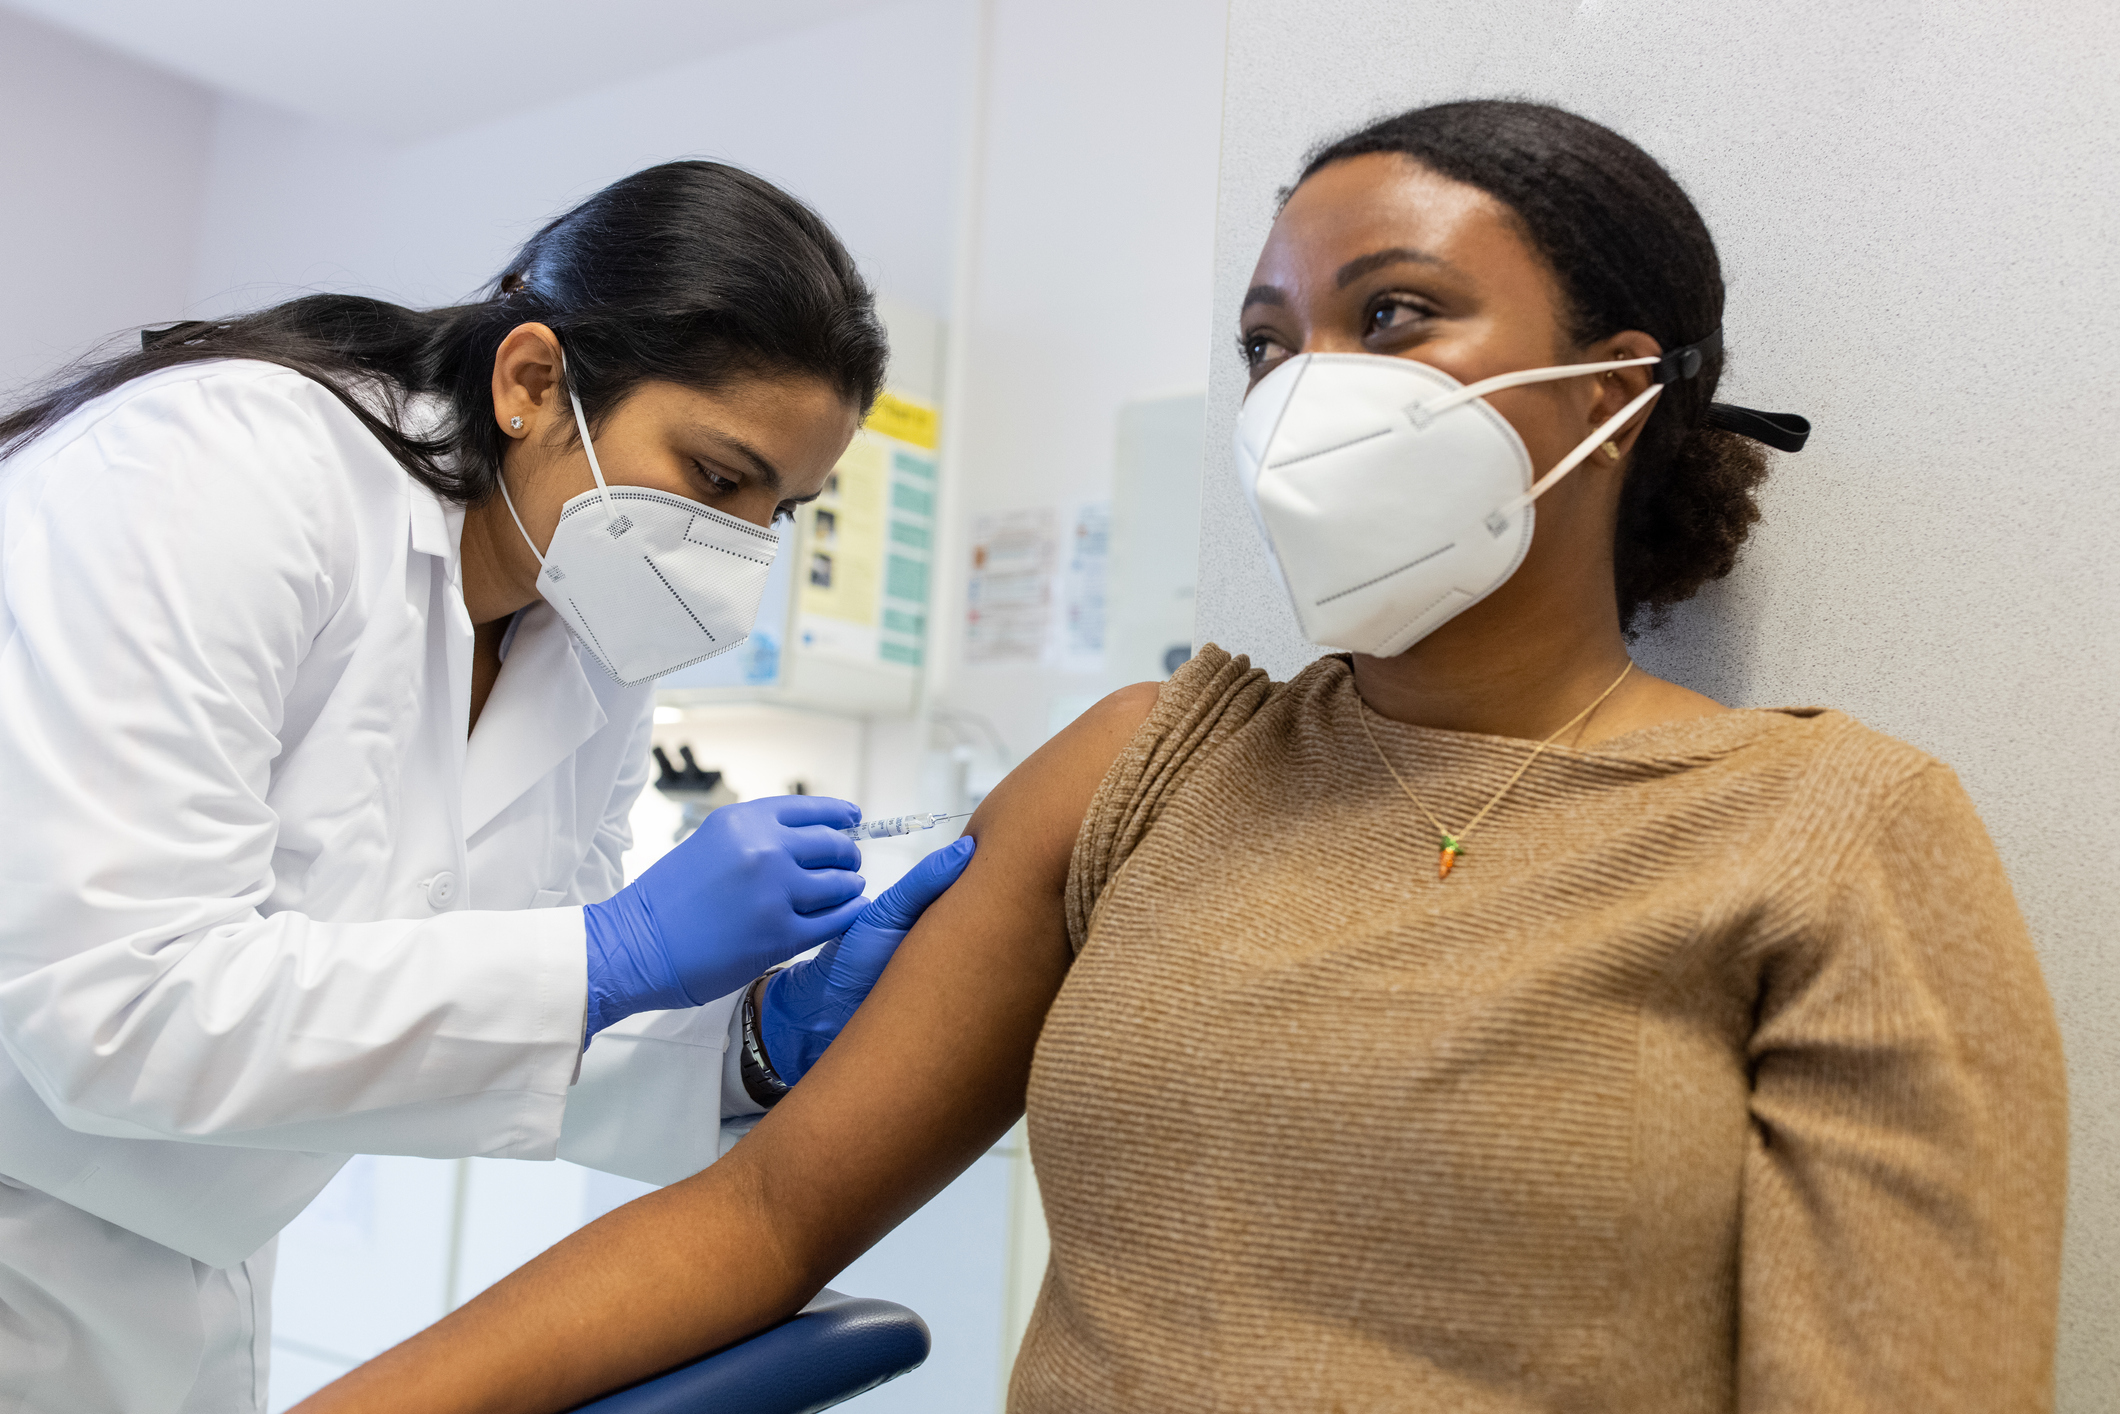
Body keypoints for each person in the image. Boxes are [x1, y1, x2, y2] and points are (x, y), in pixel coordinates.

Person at [298, 102, 2068, 1414]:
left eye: (1390, 317)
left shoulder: (1828, 831)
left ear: (1614, 391)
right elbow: (769, 1208)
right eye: (1265, 343)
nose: (1303, 390)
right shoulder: (1148, 765)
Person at [0, 161, 973, 1414]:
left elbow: (499, 1015)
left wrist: (750, 1039)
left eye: (781, 509)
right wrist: (614, 948)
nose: (740, 550)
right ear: (530, 382)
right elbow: (111, 1008)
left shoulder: (588, 633)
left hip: (189, 1268)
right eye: (717, 477)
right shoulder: (217, 472)